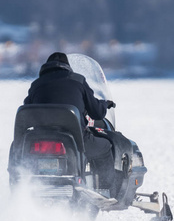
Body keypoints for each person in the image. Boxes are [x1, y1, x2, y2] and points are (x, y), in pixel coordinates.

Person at [24, 52, 116, 196]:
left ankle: (23, 189)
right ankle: (105, 191)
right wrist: (104, 104)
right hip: (76, 140)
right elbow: (97, 112)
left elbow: (27, 109)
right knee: (105, 148)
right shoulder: (78, 81)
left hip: (39, 142)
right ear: (67, 66)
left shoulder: (36, 85)